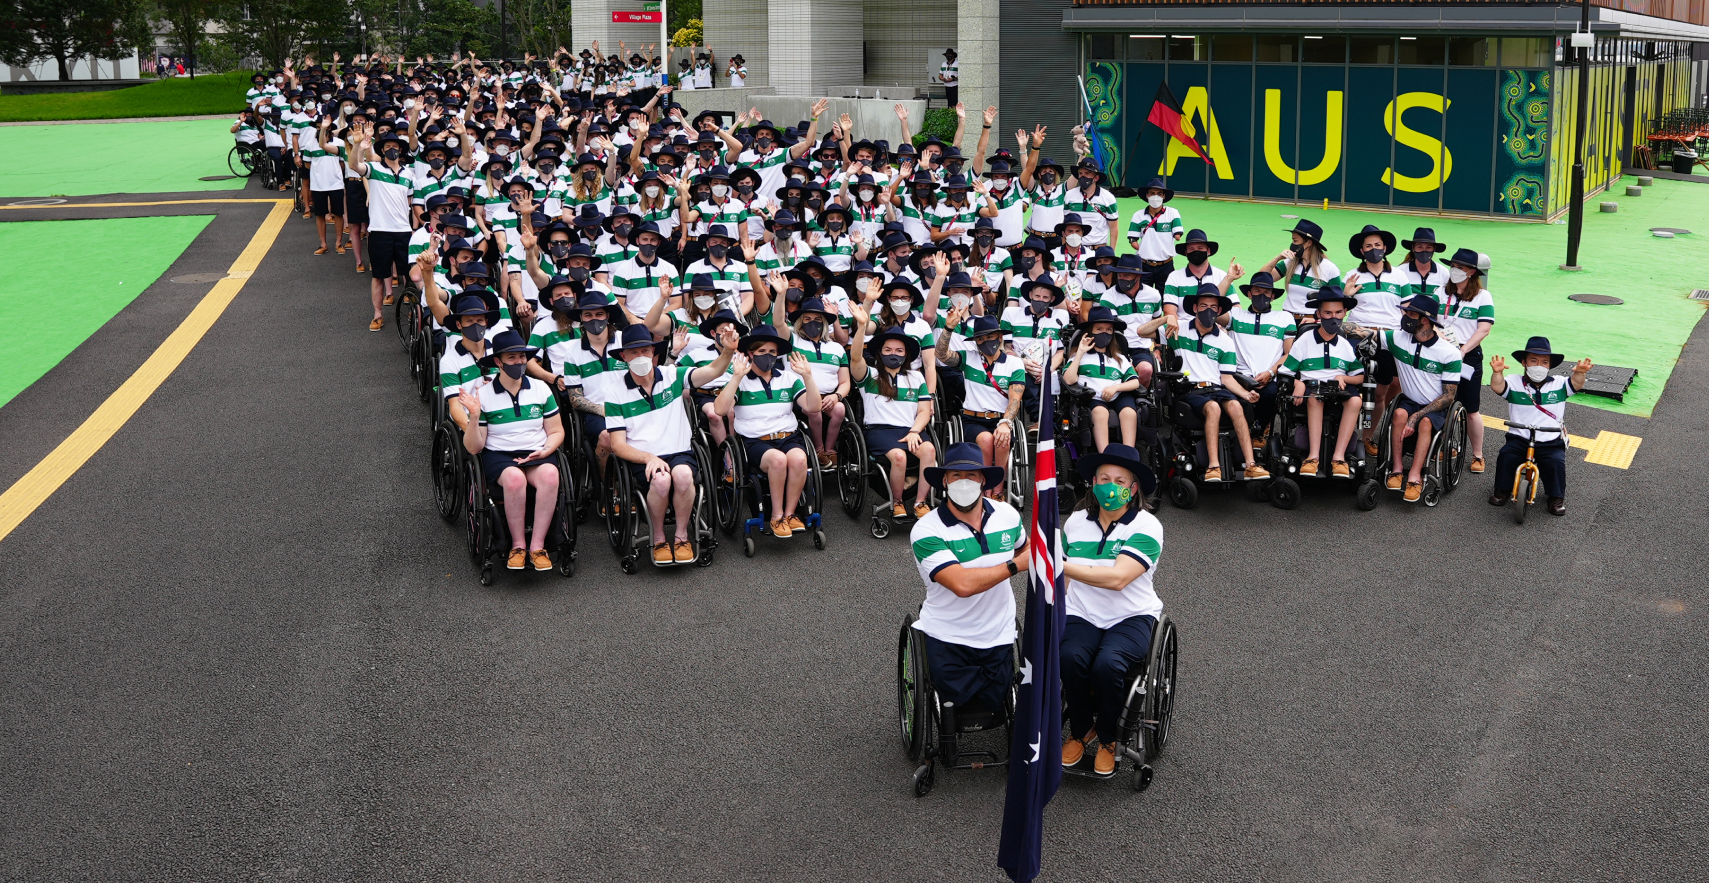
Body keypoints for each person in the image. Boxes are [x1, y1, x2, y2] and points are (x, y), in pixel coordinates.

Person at [908, 442, 1029, 731]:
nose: (964, 483)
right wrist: (1014, 566)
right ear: (945, 482)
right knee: (955, 711)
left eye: (971, 476)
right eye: (956, 476)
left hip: (998, 634)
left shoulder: (1008, 516)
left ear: (983, 480)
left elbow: (1026, 549)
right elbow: (961, 584)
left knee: (994, 709)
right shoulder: (926, 530)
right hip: (948, 637)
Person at [1058, 444, 1162, 776]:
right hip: (1082, 611)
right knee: (1068, 658)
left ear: (1133, 490)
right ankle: (1080, 731)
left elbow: (1119, 578)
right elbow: (1058, 583)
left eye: (1120, 480)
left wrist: (1059, 566)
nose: (1110, 486)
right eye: (1104, 478)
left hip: (1131, 615)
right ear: (1093, 483)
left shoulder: (1147, 526)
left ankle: (1107, 739)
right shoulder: (1074, 522)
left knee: (1106, 665)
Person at [605, 323, 738, 564]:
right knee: (661, 479)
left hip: (679, 452)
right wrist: (648, 458)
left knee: (684, 476)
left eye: (645, 351)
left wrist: (727, 352)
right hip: (642, 457)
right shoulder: (614, 393)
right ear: (624, 356)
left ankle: (681, 536)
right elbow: (617, 445)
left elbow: (712, 372)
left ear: (653, 353)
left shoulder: (672, 375)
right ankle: (657, 538)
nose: (640, 356)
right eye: (633, 352)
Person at [456, 330, 565, 571]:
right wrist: (474, 416)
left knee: (550, 475)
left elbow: (557, 431)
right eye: (512, 358)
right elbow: (474, 447)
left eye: (522, 357)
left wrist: (546, 451)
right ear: (498, 362)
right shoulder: (482, 396)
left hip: (537, 452)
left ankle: (538, 546)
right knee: (515, 480)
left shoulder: (540, 389)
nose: (519, 362)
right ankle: (518, 546)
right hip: (499, 456)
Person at [713, 324, 822, 538]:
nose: (768, 356)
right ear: (751, 354)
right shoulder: (741, 380)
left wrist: (808, 377)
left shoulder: (789, 378)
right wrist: (735, 378)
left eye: (772, 352)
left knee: (800, 460)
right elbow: (720, 410)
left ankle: (790, 514)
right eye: (762, 352)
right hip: (755, 442)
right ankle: (776, 516)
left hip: (788, 437)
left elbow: (813, 407)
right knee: (778, 460)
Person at [1362, 295, 1461, 502]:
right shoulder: (1397, 338)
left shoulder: (1449, 353)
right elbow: (1365, 333)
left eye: (1410, 313)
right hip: (1408, 400)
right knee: (1398, 413)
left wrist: (1416, 416)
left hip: (1435, 407)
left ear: (1424, 319)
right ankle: (1396, 469)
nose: (1405, 316)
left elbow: (1449, 397)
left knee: (1424, 423)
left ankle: (1416, 476)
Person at [849, 309, 938, 519]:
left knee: (930, 451)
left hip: (911, 430)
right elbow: (855, 357)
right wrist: (862, 326)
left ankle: (920, 502)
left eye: (899, 350)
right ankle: (897, 502)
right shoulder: (869, 375)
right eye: (888, 349)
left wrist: (915, 431)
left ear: (906, 353)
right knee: (898, 457)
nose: (893, 354)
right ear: (879, 352)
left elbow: (925, 411)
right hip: (879, 431)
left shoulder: (916, 378)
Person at [1489, 338, 1592, 516]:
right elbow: (1498, 387)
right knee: (1506, 456)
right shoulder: (1514, 382)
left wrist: (1580, 373)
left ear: (1550, 366)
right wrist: (1497, 373)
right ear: (1524, 362)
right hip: (1520, 437)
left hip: (1550, 440)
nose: (1539, 365)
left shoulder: (1559, 383)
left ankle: (1556, 497)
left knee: (1555, 463)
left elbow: (1575, 384)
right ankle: (1502, 490)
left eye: (1544, 362)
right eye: (1533, 361)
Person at [1175, 284, 1267, 480]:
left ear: (1218, 311)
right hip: (1191, 388)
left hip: (1217, 387)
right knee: (1213, 408)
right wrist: (1166, 319)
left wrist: (1245, 394)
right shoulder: (1179, 330)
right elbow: (1142, 331)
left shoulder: (1225, 341)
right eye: (1203, 306)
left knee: (1235, 405)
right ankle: (1213, 467)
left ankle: (1251, 464)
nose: (1209, 310)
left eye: (1213, 307)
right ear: (1194, 308)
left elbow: (1226, 378)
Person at [1279, 282, 1364, 477]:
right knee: (1315, 398)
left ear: (1344, 313)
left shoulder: (1344, 344)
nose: (1333, 318)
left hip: (1339, 387)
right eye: (1327, 313)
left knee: (1356, 400)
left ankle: (1339, 457)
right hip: (1312, 388)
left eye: (1338, 313)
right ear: (1319, 314)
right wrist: (1298, 383)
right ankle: (1313, 456)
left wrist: (1343, 377)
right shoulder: (1304, 341)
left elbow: (1359, 377)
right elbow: (1286, 371)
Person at [934, 312, 1024, 489]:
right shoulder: (969, 357)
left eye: (989, 337)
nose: (985, 342)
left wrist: (1006, 423)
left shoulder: (1015, 364)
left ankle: (997, 490)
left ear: (999, 337)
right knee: (985, 439)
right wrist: (948, 328)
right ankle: (984, 489)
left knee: (1002, 439)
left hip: (1001, 418)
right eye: (980, 339)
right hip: (972, 419)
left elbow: (1015, 398)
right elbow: (941, 354)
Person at [1344, 224, 1407, 454]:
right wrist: (1346, 295)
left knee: (1380, 392)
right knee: (1352, 388)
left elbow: (1407, 308)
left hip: (1389, 338)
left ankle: (1367, 436)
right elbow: (1340, 308)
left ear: (1385, 248)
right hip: (1358, 336)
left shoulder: (1399, 276)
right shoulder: (1352, 275)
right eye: (1368, 246)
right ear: (1361, 251)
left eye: (1377, 245)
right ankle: (1346, 434)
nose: (1373, 249)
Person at [347, 127, 415, 331]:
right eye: (388, 147)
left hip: (403, 231)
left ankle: (412, 307)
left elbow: (409, 202)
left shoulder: (409, 175)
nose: (392, 150)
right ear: (382, 150)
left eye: (395, 147)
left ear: (401, 151)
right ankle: (377, 314)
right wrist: (358, 145)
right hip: (379, 231)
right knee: (378, 275)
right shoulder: (374, 169)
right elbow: (354, 164)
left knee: (409, 274)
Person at [1440, 247, 1495, 475]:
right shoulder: (1441, 292)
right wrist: (1438, 334)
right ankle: (1447, 447)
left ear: (1472, 272)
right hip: (1440, 352)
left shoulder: (1483, 297)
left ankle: (1478, 455)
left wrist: (1463, 350)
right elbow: (1429, 319)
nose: (1455, 271)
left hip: (1467, 355)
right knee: (1441, 401)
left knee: (1471, 408)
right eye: (1453, 266)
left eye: (1460, 268)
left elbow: (1484, 329)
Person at [1225, 270, 1295, 440]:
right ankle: (1238, 433)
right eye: (1257, 291)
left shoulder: (1285, 318)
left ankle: (1258, 431)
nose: (1262, 295)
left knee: (1271, 394)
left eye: (1266, 292)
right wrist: (1229, 279)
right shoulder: (1235, 315)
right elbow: (1212, 305)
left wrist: (1270, 373)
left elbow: (1289, 354)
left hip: (1270, 377)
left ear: (1273, 296)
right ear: (1249, 294)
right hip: (1239, 377)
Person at [1063, 307, 1142, 453]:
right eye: (1099, 329)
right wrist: (1080, 352)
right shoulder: (1079, 357)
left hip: (1117, 394)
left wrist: (1115, 388)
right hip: (1092, 397)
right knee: (1101, 412)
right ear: (1090, 331)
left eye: (1109, 330)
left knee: (1129, 413)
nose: (1104, 333)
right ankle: (1104, 455)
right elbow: (1068, 380)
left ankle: (1128, 455)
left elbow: (1135, 382)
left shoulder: (1119, 358)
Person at [1264, 219, 1340, 320]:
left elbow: (1337, 303)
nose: (1292, 244)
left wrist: (1317, 320)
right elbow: (1262, 279)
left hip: (1312, 322)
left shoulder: (1330, 268)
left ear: (1308, 243)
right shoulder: (1289, 263)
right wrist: (1277, 258)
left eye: (1295, 241)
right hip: (1287, 320)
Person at [1124, 177, 1183, 291]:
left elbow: (1178, 235)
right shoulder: (1138, 215)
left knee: (1167, 298)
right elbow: (1133, 240)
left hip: (1166, 265)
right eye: (1152, 193)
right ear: (1147, 195)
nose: (1155, 196)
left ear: (1164, 196)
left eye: (1159, 193)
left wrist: (1176, 235)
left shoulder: (1173, 213)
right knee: (1143, 298)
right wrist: (1143, 248)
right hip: (1144, 265)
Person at [1063, 158, 1119, 249]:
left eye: (1087, 173)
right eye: (1080, 173)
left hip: (1098, 249)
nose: (1083, 176)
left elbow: (1113, 228)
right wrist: (1063, 248)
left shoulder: (1108, 198)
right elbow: (1065, 224)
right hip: (1075, 249)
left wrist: (1111, 252)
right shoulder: (1069, 195)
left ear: (1096, 178)